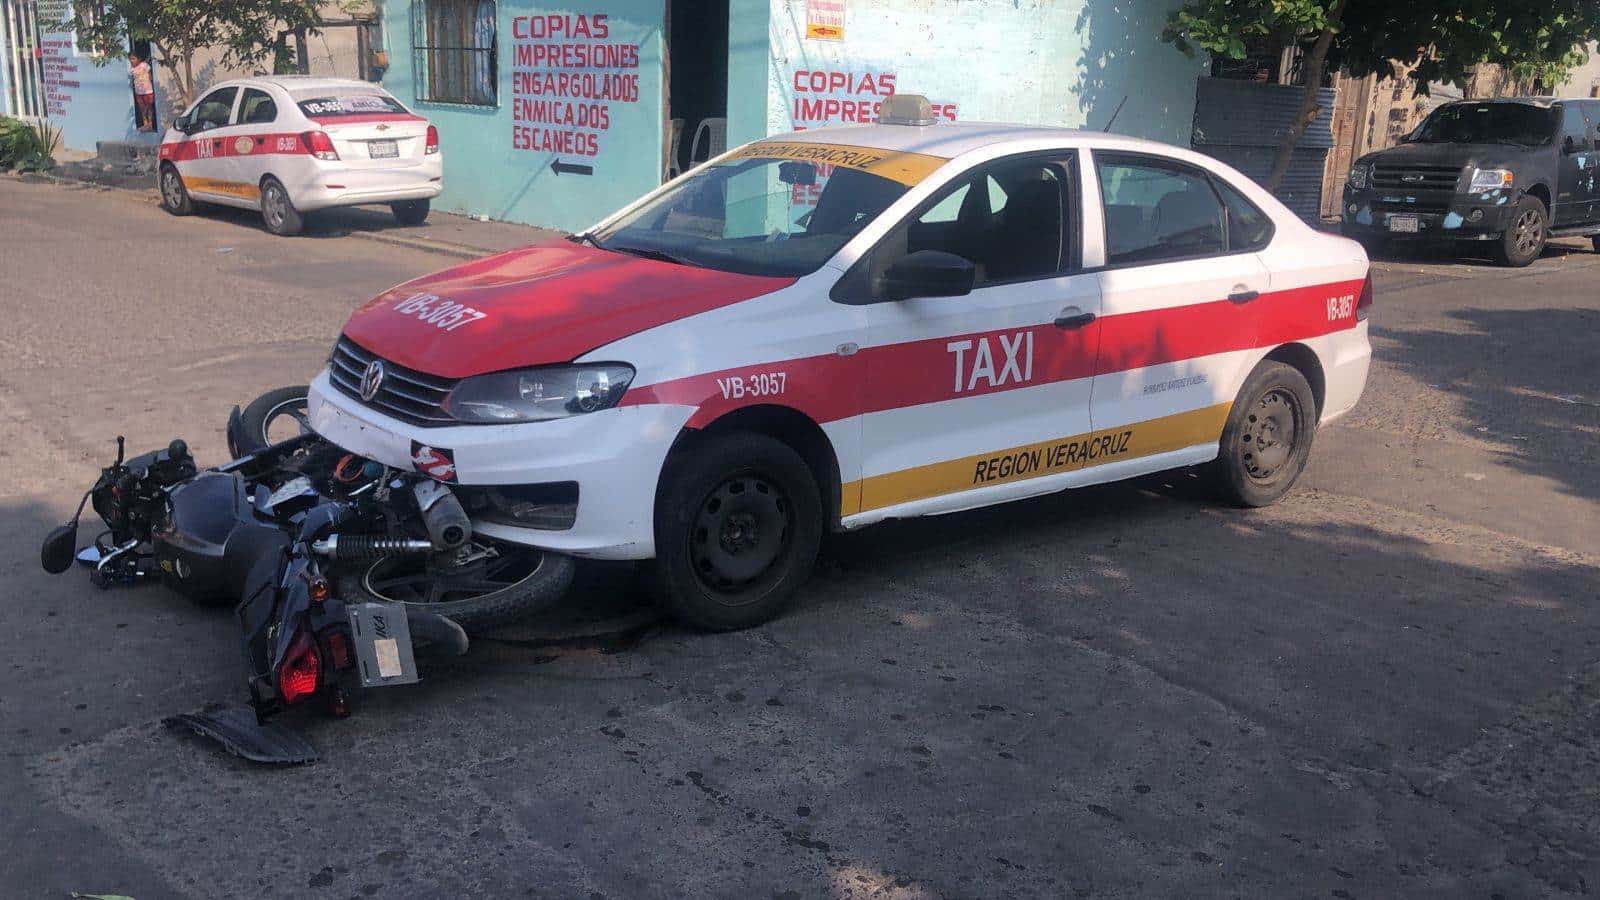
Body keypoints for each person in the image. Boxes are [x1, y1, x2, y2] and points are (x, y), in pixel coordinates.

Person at [130, 53, 155, 132]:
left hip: (148, 91)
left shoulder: (144, 65)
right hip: (138, 92)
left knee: (149, 107)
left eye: (134, 58)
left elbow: (150, 75)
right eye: (130, 59)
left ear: (138, 59)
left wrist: (148, 84)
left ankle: (150, 124)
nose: (132, 61)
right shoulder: (132, 69)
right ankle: (145, 124)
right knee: (142, 109)